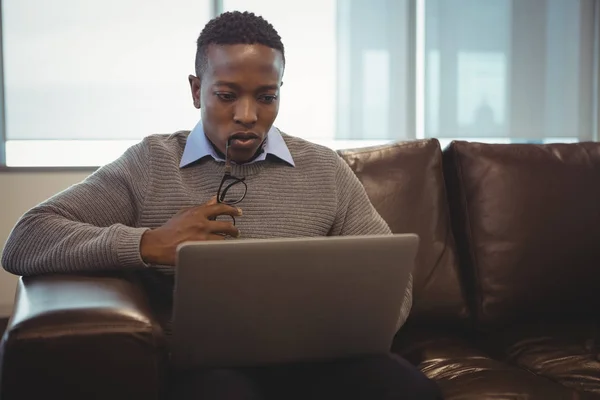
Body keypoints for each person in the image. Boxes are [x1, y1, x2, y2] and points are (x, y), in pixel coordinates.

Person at [1, 11, 442, 400]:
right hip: (206, 370)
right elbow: (26, 238)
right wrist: (149, 244)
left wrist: (356, 333)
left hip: (320, 358)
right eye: (227, 95)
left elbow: (393, 280)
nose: (248, 115)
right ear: (197, 90)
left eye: (266, 97)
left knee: (410, 389)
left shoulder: (325, 170)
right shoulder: (152, 163)